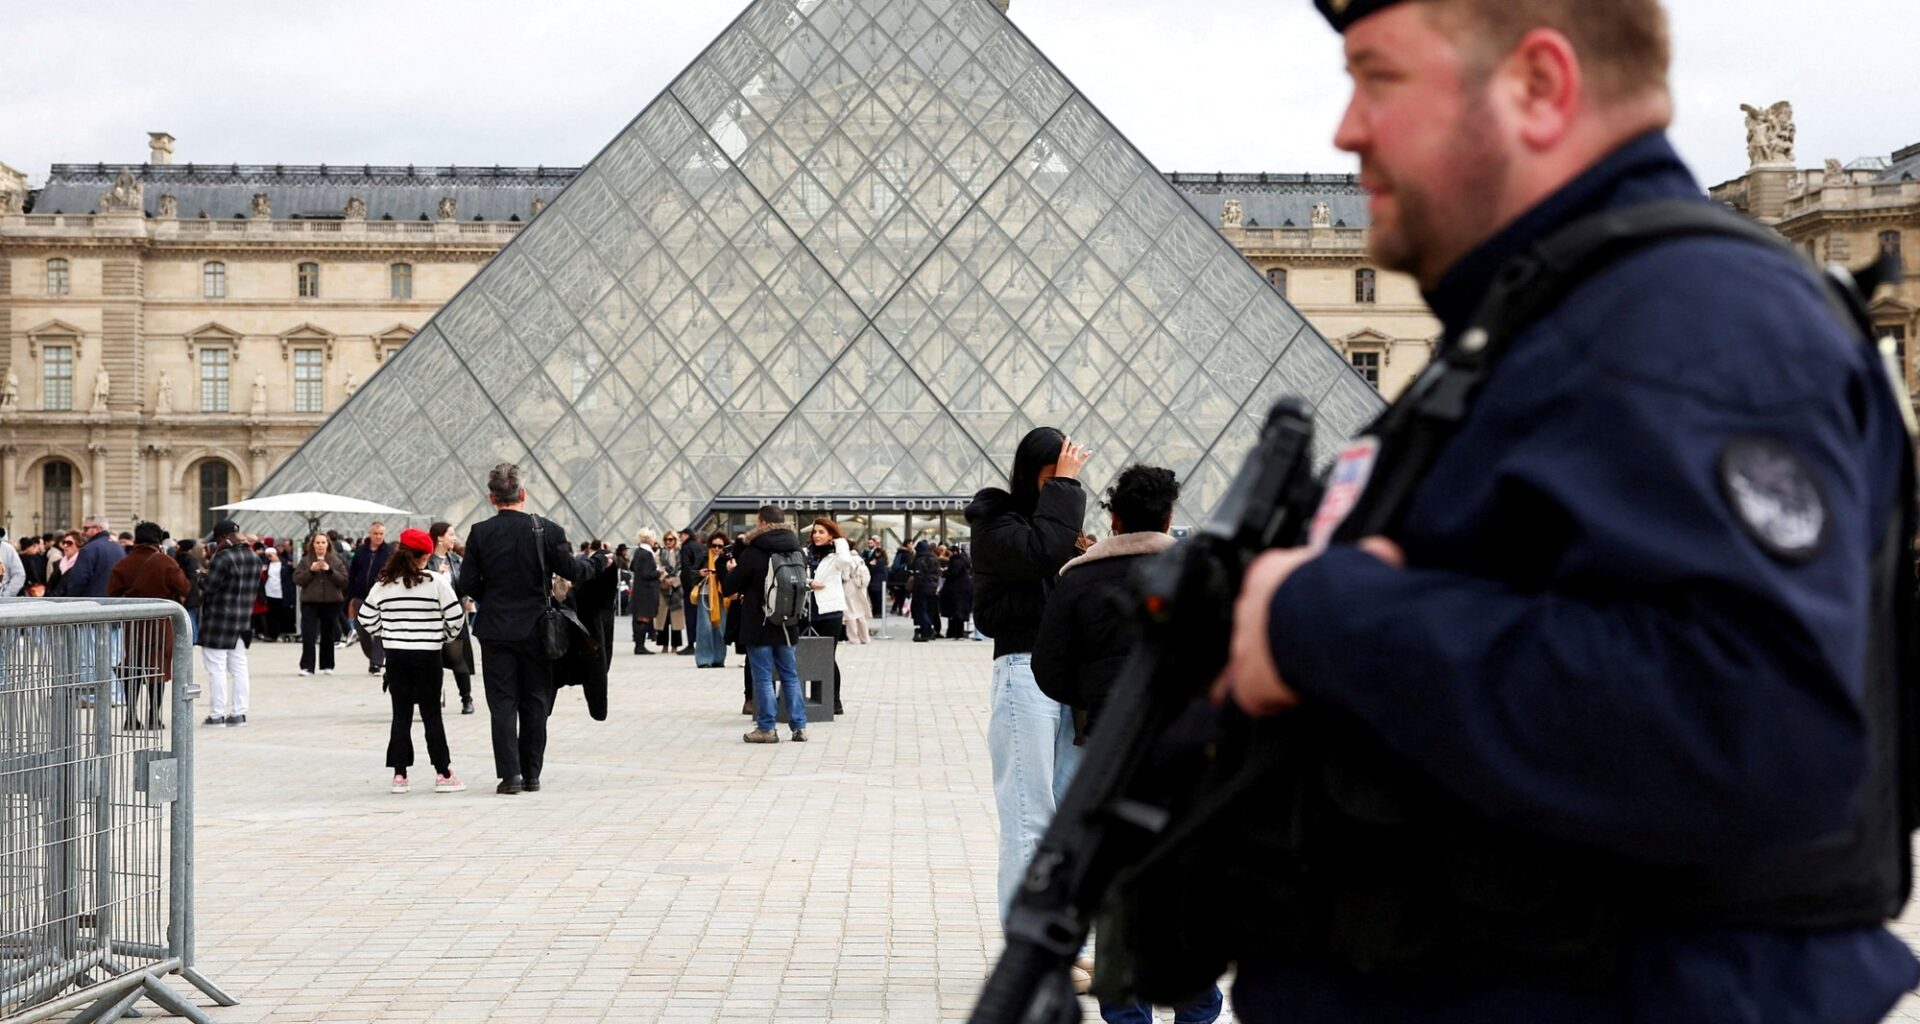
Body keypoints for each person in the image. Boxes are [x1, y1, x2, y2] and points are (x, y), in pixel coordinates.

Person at [1196, 2, 1920, 1021]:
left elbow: (1753, 723)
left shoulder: (1692, 322)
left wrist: (1327, 619)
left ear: (1539, 86)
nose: (1347, 127)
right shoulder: (1550, 328)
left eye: (1378, 77)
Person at [966, 427, 1090, 919]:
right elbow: (1043, 552)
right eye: (1052, 480)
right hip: (1024, 672)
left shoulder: (1055, 525)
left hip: (1068, 681)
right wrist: (1067, 488)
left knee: (1064, 817)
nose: (1062, 485)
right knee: (1029, 814)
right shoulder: (996, 524)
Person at [455, 463, 590, 795]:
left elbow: (468, 582)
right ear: (523, 494)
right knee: (535, 700)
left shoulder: (480, 532)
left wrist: (496, 600)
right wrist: (599, 562)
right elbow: (572, 570)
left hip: (496, 630)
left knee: (502, 703)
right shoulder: (546, 530)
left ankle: (510, 776)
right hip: (536, 628)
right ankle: (532, 774)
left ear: (491, 497)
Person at [357, 528, 467, 795]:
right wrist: (442, 636)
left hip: (397, 656)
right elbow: (456, 617)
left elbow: (365, 618)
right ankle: (443, 773)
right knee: (432, 715)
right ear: (426, 555)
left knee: (401, 715)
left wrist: (387, 632)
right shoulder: (435, 581)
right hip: (428, 654)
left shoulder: (384, 583)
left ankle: (399, 775)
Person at [724, 506, 808, 744]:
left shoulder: (754, 552)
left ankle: (766, 728)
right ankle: (799, 726)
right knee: (790, 675)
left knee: (762, 677)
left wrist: (729, 569)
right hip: (787, 622)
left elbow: (730, 586)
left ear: (761, 523)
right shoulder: (797, 551)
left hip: (758, 623)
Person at [106, 521, 191, 731]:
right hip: (160, 624)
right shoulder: (165, 562)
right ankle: (154, 715)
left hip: (133, 624)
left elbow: (112, 592)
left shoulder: (124, 563)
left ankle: (131, 716)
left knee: (132, 668)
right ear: (158, 540)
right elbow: (184, 587)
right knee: (157, 669)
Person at [198, 520, 260, 727]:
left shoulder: (223, 557)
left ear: (222, 538)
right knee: (239, 668)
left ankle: (217, 715)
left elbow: (210, 586)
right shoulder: (254, 557)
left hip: (219, 621)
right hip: (242, 620)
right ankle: (240, 713)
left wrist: (200, 578)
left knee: (216, 668)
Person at [804, 518, 857, 714]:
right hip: (807, 611)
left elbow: (846, 562)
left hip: (830, 612)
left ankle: (833, 701)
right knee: (804, 655)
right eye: (815, 532)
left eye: (822, 532)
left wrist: (840, 541)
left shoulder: (837, 555)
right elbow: (797, 575)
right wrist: (809, 582)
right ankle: (811, 698)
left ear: (831, 536)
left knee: (827, 656)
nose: (817, 535)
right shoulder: (804, 553)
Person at [426, 522, 476, 714]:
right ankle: (434, 697)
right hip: (432, 618)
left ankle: (467, 698)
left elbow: (464, 585)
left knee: (458, 660)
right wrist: (435, 576)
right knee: (433, 662)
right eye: (451, 534)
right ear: (440, 537)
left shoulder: (456, 560)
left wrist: (467, 599)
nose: (454, 538)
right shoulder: (427, 561)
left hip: (453, 616)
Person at [292, 532, 348, 676]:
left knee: (328, 634)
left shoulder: (336, 560)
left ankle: (327, 665)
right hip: (310, 602)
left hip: (331, 602)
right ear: (312, 545)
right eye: (317, 543)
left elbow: (343, 580)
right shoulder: (305, 561)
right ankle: (307, 666)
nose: (320, 545)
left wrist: (329, 571)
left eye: (323, 542)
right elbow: (297, 579)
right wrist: (311, 571)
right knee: (308, 634)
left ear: (328, 544)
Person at [346, 522, 392, 676]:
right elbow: (352, 575)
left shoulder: (390, 552)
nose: (378, 536)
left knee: (379, 630)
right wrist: (350, 598)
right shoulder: (360, 552)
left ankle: (376, 663)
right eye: (376, 533)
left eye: (381, 534)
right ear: (370, 534)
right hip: (360, 597)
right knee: (362, 630)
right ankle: (373, 657)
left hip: (381, 598)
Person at [690, 532, 730, 669]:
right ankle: (704, 659)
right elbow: (691, 572)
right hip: (705, 595)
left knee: (720, 627)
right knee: (704, 627)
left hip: (721, 595)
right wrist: (699, 573)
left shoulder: (727, 559)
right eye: (714, 545)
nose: (717, 548)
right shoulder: (704, 556)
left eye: (720, 546)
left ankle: (719, 658)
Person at [60, 514, 125, 597]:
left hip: (93, 602)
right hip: (115, 601)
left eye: (86, 528)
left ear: (98, 528)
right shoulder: (118, 547)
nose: (83, 532)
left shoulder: (89, 549)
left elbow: (78, 580)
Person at [630, 531, 660, 655]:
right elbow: (647, 574)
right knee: (644, 618)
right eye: (653, 538)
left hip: (639, 589)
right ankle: (640, 646)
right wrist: (659, 572)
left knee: (638, 618)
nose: (654, 540)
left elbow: (632, 567)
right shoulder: (647, 554)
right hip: (646, 590)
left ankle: (639, 645)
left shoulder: (638, 551)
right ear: (648, 539)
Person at [656, 530, 685, 653]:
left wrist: (673, 582)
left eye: (670, 539)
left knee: (675, 618)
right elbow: (657, 567)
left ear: (675, 540)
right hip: (663, 588)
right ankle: (663, 645)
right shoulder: (660, 552)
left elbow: (682, 569)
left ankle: (675, 645)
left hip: (677, 588)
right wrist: (664, 580)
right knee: (663, 617)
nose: (668, 542)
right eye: (666, 539)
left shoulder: (680, 553)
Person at [841, 537, 874, 646]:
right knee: (860, 614)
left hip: (849, 587)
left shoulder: (846, 559)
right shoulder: (859, 558)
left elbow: (845, 576)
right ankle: (865, 638)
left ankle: (853, 639)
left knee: (850, 613)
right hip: (860, 587)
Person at [908, 541, 941, 642]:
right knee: (929, 610)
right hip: (933, 588)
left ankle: (926, 632)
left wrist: (914, 588)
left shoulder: (920, 560)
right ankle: (930, 630)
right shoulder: (934, 559)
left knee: (921, 610)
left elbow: (919, 577)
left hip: (922, 589)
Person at [941, 544, 974, 639]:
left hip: (956, 590)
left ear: (954, 552)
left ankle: (955, 633)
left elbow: (953, 574)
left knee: (956, 612)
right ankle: (957, 632)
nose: (948, 554)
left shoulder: (957, 561)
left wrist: (945, 572)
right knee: (958, 612)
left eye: (949, 552)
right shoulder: (963, 561)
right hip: (962, 590)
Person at [863, 536, 889, 621]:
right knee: (873, 596)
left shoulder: (880, 554)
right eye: (868, 543)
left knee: (878, 597)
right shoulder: (866, 553)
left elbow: (882, 567)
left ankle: (879, 612)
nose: (869, 545)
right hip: (871, 578)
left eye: (871, 543)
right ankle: (875, 611)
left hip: (877, 579)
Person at [888, 544, 912, 617]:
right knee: (904, 594)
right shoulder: (907, 555)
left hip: (895, 577)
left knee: (898, 594)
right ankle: (902, 610)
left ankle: (894, 609)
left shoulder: (898, 554)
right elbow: (910, 565)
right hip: (904, 577)